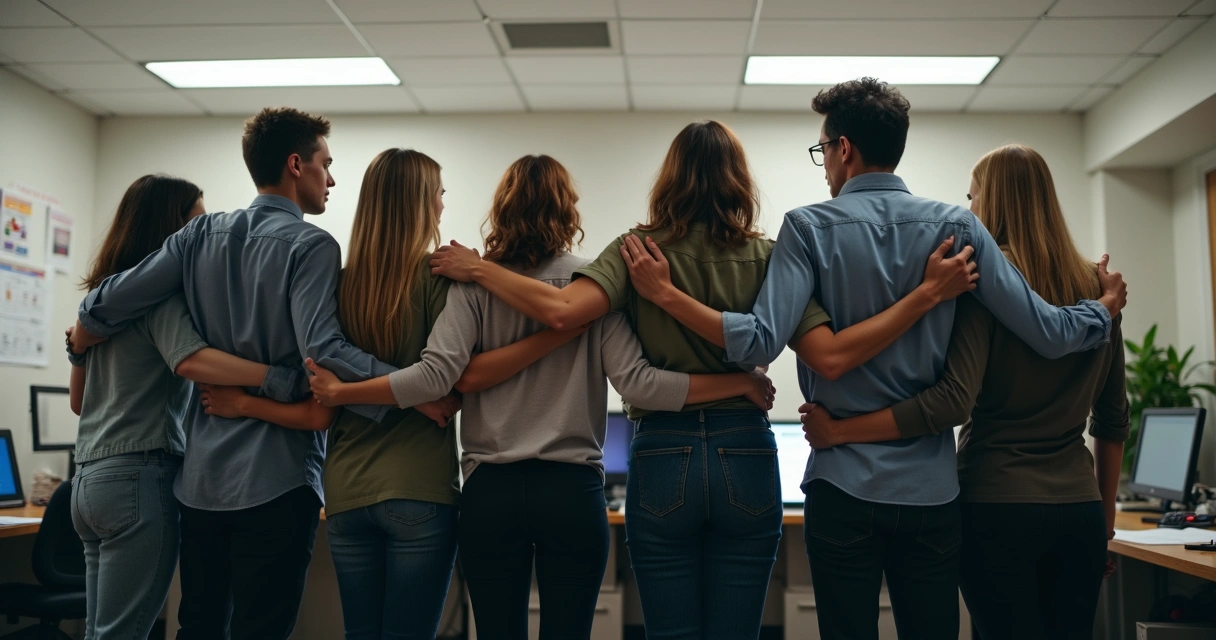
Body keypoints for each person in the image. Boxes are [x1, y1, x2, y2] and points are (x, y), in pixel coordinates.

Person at [616, 80, 1127, 639]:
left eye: (822, 151)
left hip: (844, 484)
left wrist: (667, 295)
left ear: (844, 149)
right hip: (932, 491)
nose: (824, 166)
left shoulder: (807, 228)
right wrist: (1102, 308)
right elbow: (1050, 334)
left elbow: (761, 341)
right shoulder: (957, 230)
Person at [425, 123, 977, 640]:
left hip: (664, 452)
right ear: (740, 181)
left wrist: (480, 269)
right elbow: (825, 353)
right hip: (747, 453)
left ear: (668, 178)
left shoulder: (635, 250)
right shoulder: (770, 255)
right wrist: (922, 297)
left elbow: (566, 314)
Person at [305, 154, 780, 640]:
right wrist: (738, 383)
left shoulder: (471, 285)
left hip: (491, 491)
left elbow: (442, 377)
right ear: (568, 210)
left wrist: (345, 391)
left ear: (502, 210)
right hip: (571, 492)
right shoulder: (595, 288)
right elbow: (640, 385)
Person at [194, 148, 575, 640]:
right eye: (438, 194)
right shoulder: (442, 282)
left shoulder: (337, 285)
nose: (442, 205)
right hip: (419, 491)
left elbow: (323, 390)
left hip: (347, 493)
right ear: (420, 203)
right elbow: (454, 384)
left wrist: (344, 391)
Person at [69, 108, 401, 640]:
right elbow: (324, 351)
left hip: (200, 483)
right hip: (277, 477)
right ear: (296, 165)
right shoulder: (313, 245)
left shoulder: (197, 235)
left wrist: (84, 329)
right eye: (326, 164)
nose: (332, 179)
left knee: (197, 625)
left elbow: (112, 296)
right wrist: (410, 387)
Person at [801, 144, 1129, 640]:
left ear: (992, 203)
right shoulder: (1100, 291)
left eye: (973, 197)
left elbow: (950, 402)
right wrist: (1103, 524)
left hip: (994, 503)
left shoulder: (982, 288)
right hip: (1080, 511)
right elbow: (1112, 417)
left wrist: (841, 430)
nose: (969, 210)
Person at [65, 175, 304, 640]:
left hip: (87, 483)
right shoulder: (159, 298)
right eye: (196, 220)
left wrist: (75, 351)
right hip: (139, 476)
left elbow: (79, 402)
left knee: (102, 632)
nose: (202, 236)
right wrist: (274, 377)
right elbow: (191, 361)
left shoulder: (101, 301)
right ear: (172, 231)